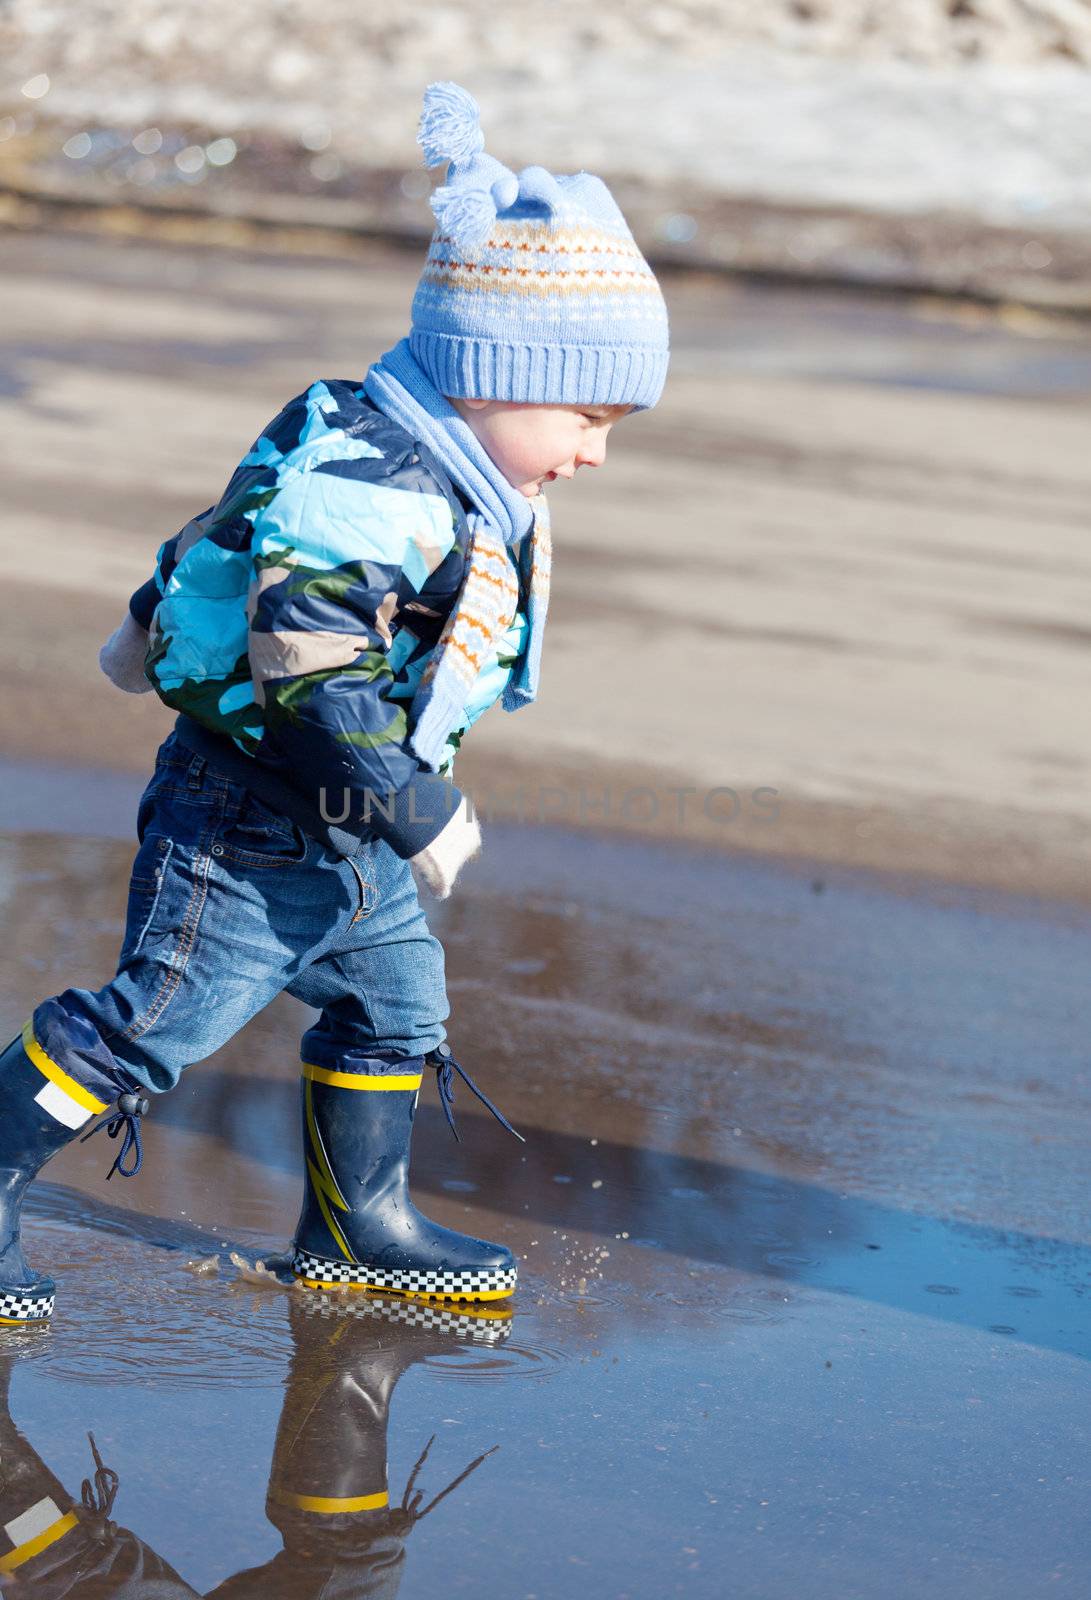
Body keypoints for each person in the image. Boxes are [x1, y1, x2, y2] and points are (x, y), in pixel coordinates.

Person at [0, 81, 670, 1324]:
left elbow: (249, 534)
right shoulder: (372, 487)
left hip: (338, 817)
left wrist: (377, 798)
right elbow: (309, 660)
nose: (591, 454)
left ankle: (357, 1223)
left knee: (394, 1006)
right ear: (492, 373)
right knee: (153, 1022)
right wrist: (412, 800)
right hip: (249, 817)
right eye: (584, 417)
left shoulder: (434, 458)